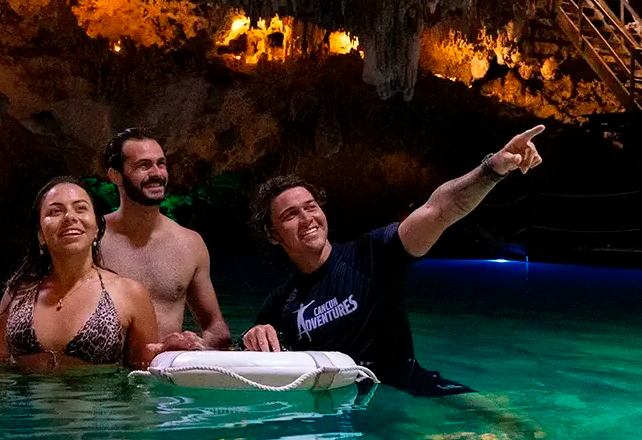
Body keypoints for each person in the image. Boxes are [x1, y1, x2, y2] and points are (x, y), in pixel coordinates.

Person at [242, 126, 545, 395]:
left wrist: (493, 168)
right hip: (335, 409)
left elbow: (440, 209)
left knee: (513, 430)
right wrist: (250, 336)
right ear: (273, 235)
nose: (307, 218)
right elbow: (247, 363)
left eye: (310, 206)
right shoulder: (278, 305)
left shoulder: (373, 255)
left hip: (405, 389)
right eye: (291, 215)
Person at [0, 176, 160, 369]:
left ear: (97, 228)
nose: (70, 217)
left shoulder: (130, 294)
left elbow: (145, 379)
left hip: (100, 398)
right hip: (28, 398)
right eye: (55, 211)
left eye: (81, 208)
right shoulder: (18, 291)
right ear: (41, 234)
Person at [99, 128, 231, 351]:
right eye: (144, 165)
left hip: (164, 376)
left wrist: (196, 349)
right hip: (108, 376)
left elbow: (215, 327)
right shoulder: (93, 238)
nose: (157, 173)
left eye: (161, 164)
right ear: (115, 175)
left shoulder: (190, 244)